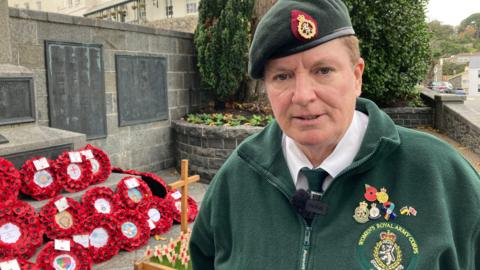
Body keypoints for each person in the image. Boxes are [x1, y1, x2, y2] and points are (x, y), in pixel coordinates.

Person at [189, 0, 480, 269]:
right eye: (282, 76)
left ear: (356, 76)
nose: (302, 96)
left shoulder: (441, 176)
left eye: (323, 70)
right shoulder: (236, 179)